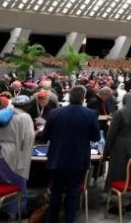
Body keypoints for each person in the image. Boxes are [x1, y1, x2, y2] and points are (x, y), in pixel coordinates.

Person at [41, 85, 100, 223]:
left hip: (56, 158)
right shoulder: (90, 114)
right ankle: (69, 219)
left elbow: (45, 137)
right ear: (83, 98)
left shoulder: (54, 113)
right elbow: (96, 138)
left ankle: (52, 220)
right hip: (78, 159)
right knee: (73, 193)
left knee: (55, 192)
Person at [0, 95, 35, 220]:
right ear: (28, 106)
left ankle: (0, 210)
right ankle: (17, 211)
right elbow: (28, 138)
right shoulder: (25, 117)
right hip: (14, 153)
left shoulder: (1, 114)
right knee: (17, 183)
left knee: (1, 183)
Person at [103, 93, 131, 191]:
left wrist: (105, 153)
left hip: (121, 146)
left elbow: (111, 134)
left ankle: (116, 196)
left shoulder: (119, 113)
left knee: (118, 171)